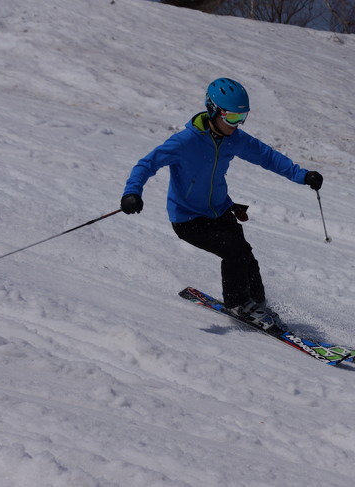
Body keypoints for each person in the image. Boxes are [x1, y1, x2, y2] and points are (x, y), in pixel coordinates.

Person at [120, 78, 323, 332]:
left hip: (220, 210)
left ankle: (257, 303)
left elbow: (267, 156)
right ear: (213, 110)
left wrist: (303, 175)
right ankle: (239, 304)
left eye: (242, 117)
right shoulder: (185, 142)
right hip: (188, 219)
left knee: (246, 256)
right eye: (232, 117)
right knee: (234, 251)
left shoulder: (233, 138)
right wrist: (132, 193)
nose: (237, 124)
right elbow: (146, 164)